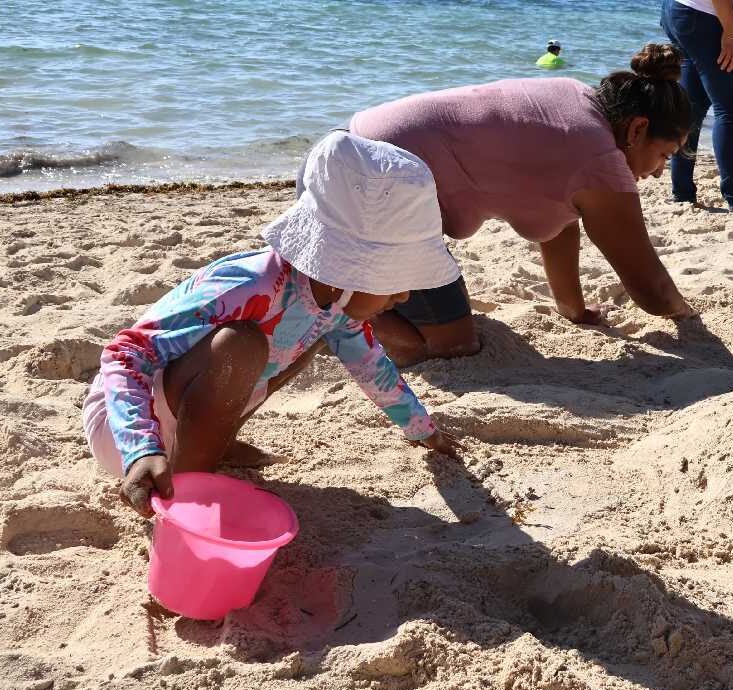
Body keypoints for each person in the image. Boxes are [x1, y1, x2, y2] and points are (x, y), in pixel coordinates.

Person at [83, 132, 464, 517]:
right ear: (347, 266)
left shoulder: (337, 303)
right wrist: (141, 450)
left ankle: (213, 443)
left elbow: (371, 366)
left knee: (306, 342)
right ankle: (185, 499)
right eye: (395, 279)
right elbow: (124, 352)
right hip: (126, 430)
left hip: (182, 418)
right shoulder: (250, 284)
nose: (404, 297)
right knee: (241, 346)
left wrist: (421, 429)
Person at [349, 44, 697, 366]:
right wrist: (686, 313)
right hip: (371, 187)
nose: (658, 173)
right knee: (451, 345)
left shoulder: (579, 102)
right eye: (664, 156)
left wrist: (573, 310)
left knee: (445, 322)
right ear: (637, 129)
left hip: (347, 156)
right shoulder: (599, 159)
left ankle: (344, 289)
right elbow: (652, 289)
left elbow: (560, 222)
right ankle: (335, 309)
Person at [660, 0, 733, 216]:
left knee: (692, 107)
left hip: (688, 13)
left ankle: (682, 193)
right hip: (706, 18)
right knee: (731, 109)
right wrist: (730, 31)